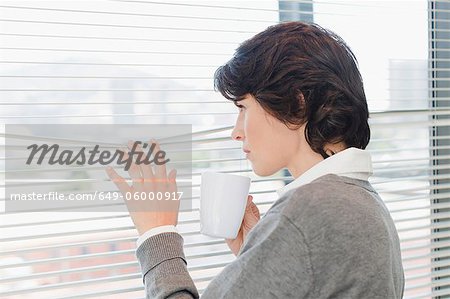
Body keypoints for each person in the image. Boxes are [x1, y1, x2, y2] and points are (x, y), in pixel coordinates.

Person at [106, 21, 405, 298]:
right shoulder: (363, 201)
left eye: (243, 108)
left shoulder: (313, 208)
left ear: (296, 103)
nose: (236, 132)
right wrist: (261, 252)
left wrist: (157, 233)